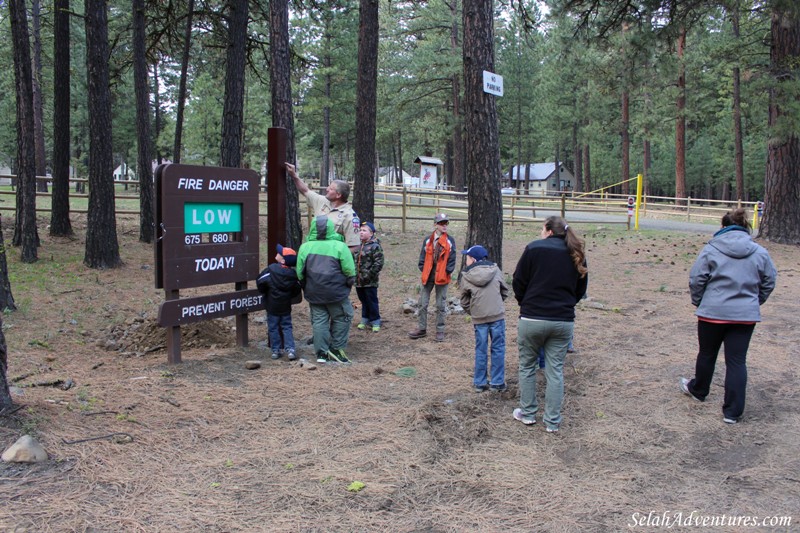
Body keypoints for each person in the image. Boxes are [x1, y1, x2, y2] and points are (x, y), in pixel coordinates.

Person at [680, 208, 777, 424]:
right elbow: (769, 280)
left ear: (723, 226)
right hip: (744, 316)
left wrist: (700, 300)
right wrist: (754, 301)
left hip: (712, 313)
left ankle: (699, 390)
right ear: (745, 228)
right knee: (736, 361)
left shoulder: (711, 249)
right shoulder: (759, 252)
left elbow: (697, 279)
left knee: (706, 353)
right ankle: (732, 412)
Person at [512, 216, 588, 433]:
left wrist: (525, 303)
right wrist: (565, 305)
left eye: (541, 229)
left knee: (527, 366)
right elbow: (581, 289)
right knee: (555, 371)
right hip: (563, 321)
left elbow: (518, 280)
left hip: (532, 318)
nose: (540, 233)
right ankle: (552, 421)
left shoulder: (534, 249)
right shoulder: (577, 253)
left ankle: (527, 413)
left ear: (548, 231)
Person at [296, 215, 357, 364]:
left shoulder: (305, 247)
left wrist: (305, 285)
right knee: (343, 317)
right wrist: (349, 283)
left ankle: (321, 353)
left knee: (319, 321)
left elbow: (299, 272)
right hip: (336, 292)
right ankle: (336, 348)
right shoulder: (340, 246)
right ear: (330, 228)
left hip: (314, 292)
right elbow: (349, 270)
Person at [459, 245, 509, 393]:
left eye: (467, 257)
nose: (466, 260)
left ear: (473, 259)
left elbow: (464, 300)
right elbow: (504, 291)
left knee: (481, 350)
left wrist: (474, 311)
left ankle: (480, 383)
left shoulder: (467, 276)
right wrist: (497, 305)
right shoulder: (496, 270)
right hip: (497, 316)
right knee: (498, 348)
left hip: (479, 318)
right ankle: (497, 382)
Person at [286, 163, 360, 252]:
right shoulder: (322, 201)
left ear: (338, 195)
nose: (327, 189)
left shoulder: (350, 216)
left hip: (331, 260)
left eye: (331, 188)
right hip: (313, 254)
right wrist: (294, 175)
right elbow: (305, 190)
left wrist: (335, 257)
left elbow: (354, 247)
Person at [408, 213, 456, 342]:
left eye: (446, 223)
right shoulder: (428, 240)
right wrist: (424, 269)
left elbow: (452, 259)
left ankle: (440, 330)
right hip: (428, 275)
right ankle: (422, 328)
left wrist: (447, 272)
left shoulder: (450, 241)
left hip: (442, 276)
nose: (444, 226)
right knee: (423, 303)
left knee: (440, 304)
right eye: (441, 223)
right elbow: (422, 257)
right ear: (435, 225)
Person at [256, 245, 302, 361]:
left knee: (273, 327)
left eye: (279, 253)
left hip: (272, 306)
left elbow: (260, 282)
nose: (277, 253)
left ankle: (275, 350)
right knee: (287, 327)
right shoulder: (292, 275)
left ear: (282, 260)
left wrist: (265, 292)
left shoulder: (271, 270)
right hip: (285, 306)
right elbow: (296, 290)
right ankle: (290, 350)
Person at [355, 221, 384, 332]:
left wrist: (368, 275)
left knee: (371, 300)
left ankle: (375, 320)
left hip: (370, 281)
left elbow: (378, 263)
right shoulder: (358, 246)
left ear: (371, 233)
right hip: (358, 281)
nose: (361, 233)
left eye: (364, 230)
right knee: (363, 300)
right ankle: (365, 318)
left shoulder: (375, 246)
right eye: (360, 230)